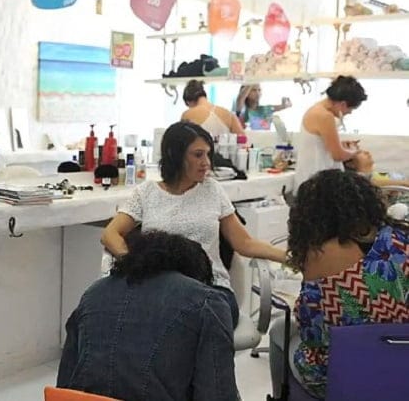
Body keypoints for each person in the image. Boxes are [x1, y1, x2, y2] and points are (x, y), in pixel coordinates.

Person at [100, 121, 286, 328]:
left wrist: (289, 257)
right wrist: (136, 263)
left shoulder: (213, 190)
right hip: (161, 286)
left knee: (183, 321)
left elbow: (244, 243)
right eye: (198, 155)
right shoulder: (146, 193)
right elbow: (110, 234)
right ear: (175, 155)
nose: (206, 162)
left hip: (210, 286)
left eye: (208, 154)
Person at [268, 169, 409, 399]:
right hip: (402, 370)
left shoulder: (319, 255)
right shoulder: (400, 239)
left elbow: (312, 333)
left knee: (279, 331)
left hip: (346, 375)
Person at [58, 230, 238, 401]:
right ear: (195, 273)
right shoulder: (206, 301)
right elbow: (217, 393)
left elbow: (64, 385)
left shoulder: (94, 293)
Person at [293, 76, 367, 191]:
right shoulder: (324, 116)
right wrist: (354, 152)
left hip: (313, 180)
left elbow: (318, 145)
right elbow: (338, 155)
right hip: (317, 183)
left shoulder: (317, 110)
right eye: (350, 109)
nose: (349, 113)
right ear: (343, 104)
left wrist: (340, 145)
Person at [180, 80, 244, 138]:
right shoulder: (228, 114)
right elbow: (243, 139)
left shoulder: (187, 115)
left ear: (188, 101)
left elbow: (181, 141)